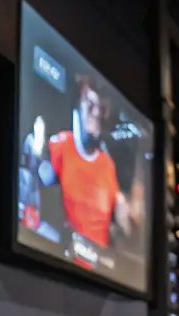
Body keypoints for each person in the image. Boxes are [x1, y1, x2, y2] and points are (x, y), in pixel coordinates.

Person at [22, 76, 142, 248]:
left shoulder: (107, 164)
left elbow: (119, 217)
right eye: (90, 105)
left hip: (98, 263)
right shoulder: (60, 145)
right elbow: (37, 185)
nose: (96, 113)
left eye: (100, 108)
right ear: (77, 108)